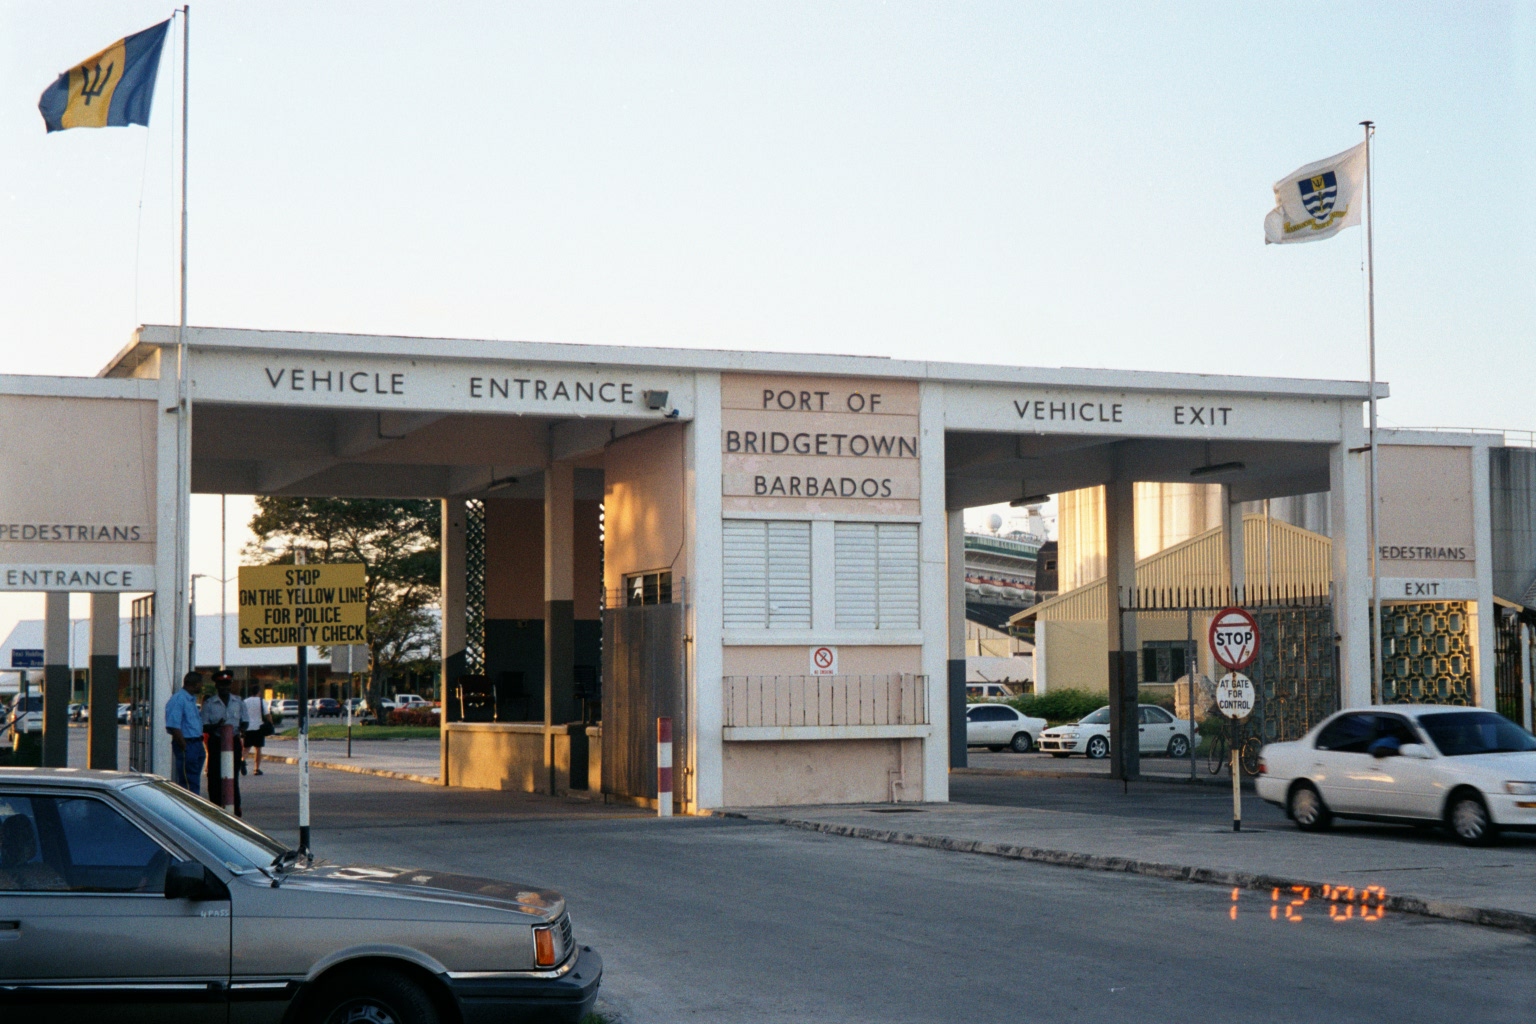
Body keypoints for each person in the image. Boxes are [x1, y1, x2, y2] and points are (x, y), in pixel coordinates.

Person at [202, 669, 249, 816]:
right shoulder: (210, 704)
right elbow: (203, 725)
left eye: (227, 685)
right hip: (216, 742)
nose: (225, 688)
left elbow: (245, 721)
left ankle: (235, 807)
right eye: (222, 685)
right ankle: (216, 807)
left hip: (233, 742)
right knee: (215, 776)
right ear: (216, 686)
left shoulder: (238, 702)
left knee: (232, 776)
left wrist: (242, 728)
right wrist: (216, 726)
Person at [165, 671, 206, 794]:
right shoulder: (179, 699)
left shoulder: (191, 700)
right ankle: (190, 810)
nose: (201, 687)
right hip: (188, 744)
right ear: (194, 684)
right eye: (200, 684)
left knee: (194, 781)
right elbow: (173, 726)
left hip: (197, 743)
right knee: (188, 783)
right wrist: (184, 746)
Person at [242, 682, 271, 776]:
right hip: (259, 727)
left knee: (246, 748)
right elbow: (267, 714)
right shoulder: (261, 701)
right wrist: (271, 723)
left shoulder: (245, 701)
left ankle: (242, 761)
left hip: (248, 728)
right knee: (258, 749)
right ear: (258, 692)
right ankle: (256, 769)